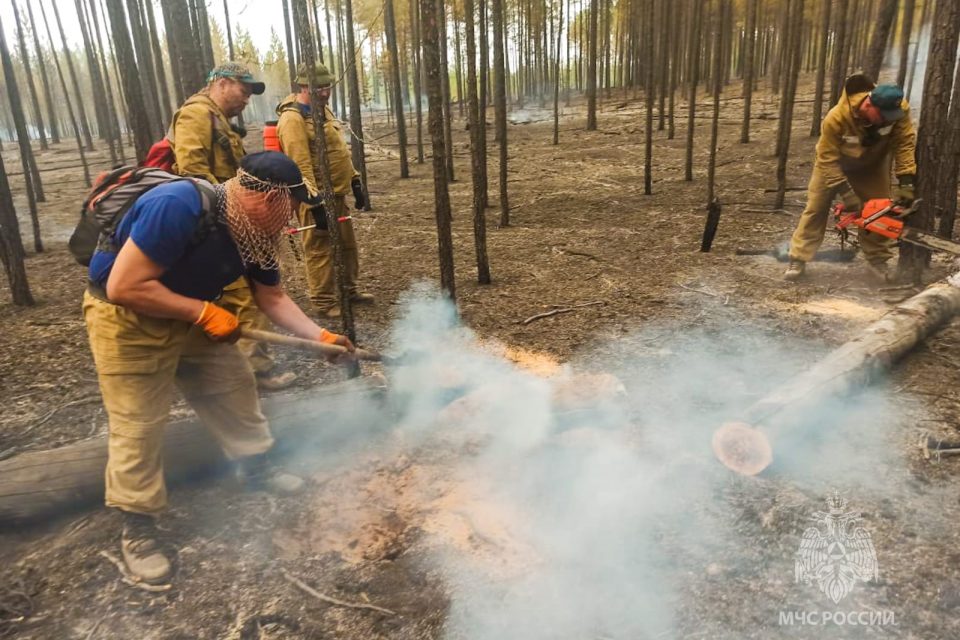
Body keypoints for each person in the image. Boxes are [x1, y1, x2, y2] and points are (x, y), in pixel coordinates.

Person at [84, 152, 355, 584]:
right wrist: (203, 313)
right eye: (292, 205)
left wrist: (317, 338)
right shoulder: (179, 205)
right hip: (129, 320)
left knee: (233, 385)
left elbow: (273, 299)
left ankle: (255, 467)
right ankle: (137, 526)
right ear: (269, 200)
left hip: (192, 312)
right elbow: (123, 286)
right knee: (137, 423)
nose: (294, 216)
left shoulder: (255, 236)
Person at [170, 61, 296, 390]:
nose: (246, 100)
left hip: (230, 222)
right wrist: (234, 207)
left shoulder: (219, 119)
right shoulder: (197, 114)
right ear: (223, 83)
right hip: (220, 224)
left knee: (249, 300)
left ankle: (249, 374)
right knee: (245, 301)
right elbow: (191, 172)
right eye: (243, 90)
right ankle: (252, 378)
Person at [784, 75, 916, 282]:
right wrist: (846, 193)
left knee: (880, 209)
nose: (888, 120)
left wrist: (906, 180)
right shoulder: (837, 117)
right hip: (832, 164)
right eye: (883, 116)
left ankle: (878, 260)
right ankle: (798, 257)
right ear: (869, 104)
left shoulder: (898, 110)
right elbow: (827, 159)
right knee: (816, 208)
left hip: (871, 164)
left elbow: (904, 143)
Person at [275, 62, 374, 319]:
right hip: (315, 197)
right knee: (320, 249)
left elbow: (337, 149)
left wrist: (354, 180)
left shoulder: (323, 110)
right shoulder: (292, 119)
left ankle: (349, 290)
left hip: (338, 193)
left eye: (327, 86)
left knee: (346, 245)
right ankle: (323, 301)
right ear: (303, 86)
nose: (325, 92)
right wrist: (313, 201)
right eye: (318, 87)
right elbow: (300, 164)